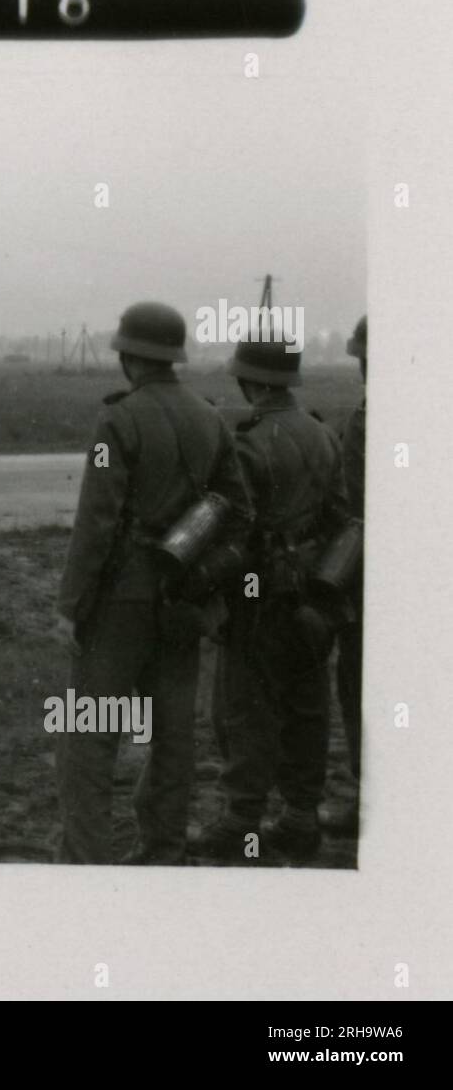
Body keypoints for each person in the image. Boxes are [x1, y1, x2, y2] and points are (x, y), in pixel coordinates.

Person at [54, 302, 250, 865]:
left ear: (130, 357)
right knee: (172, 735)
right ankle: (164, 850)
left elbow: (96, 521)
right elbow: (239, 509)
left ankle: (85, 860)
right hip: (184, 596)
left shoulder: (118, 419)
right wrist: (198, 563)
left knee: (89, 735)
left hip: (121, 599)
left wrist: (70, 605)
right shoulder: (209, 417)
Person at [193, 338, 350, 863]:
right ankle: (301, 818)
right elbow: (344, 521)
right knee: (307, 706)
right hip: (316, 597)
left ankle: (241, 821)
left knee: (246, 709)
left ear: (253, 382)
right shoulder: (327, 434)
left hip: (259, 595)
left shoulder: (249, 444)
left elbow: (232, 524)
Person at [331, 315, 366, 830]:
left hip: (376, 575)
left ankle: (372, 797)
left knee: (360, 681)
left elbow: (354, 498)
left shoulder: (368, 415)